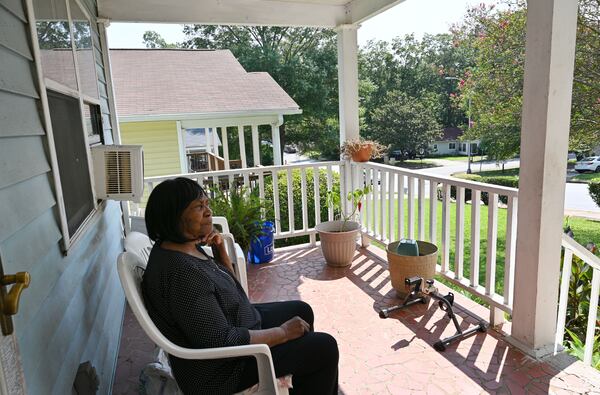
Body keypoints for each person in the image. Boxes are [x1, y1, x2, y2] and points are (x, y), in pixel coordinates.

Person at [142, 177, 339, 395]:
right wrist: (282, 333)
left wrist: (219, 251)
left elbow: (232, 287)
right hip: (223, 371)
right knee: (325, 349)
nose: (208, 212)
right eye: (199, 207)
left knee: (302, 311)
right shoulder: (181, 273)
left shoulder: (182, 245)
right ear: (173, 217)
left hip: (237, 328)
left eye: (206, 204)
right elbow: (221, 341)